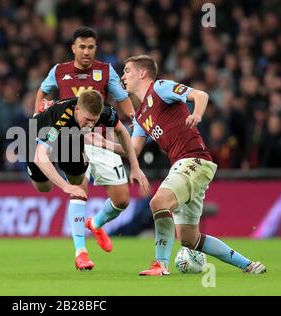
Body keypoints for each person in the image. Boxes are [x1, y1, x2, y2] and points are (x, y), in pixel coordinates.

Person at [93, 55, 266, 275]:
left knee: (158, 203)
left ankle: (160, 265)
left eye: (127, 71)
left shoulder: (160, 88)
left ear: (142, 73)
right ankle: (249, 266)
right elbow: (133, 150)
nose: (123, 76)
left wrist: (196, 114)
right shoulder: (140, 116)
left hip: (194, 159)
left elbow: (200, 95)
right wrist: (101, 142)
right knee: (189, 238)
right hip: (185, 165)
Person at [34, 26, 146, 262]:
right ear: (73, 48)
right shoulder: (59, 71)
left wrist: (137, 123)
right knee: (79, 187)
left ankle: (95, 223)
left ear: (96, 48)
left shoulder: (106, 72)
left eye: (91, 47)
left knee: (122, 199)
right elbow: (42, 93)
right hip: (71, 138)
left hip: (102, 139)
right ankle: (80, 252)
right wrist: (39, 116)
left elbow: (123, 101)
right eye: (82, 47)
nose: (86, 52)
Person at [27, 90, 150, 270]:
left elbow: (122, 132)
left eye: (94, 120)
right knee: (44, 187)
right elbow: (40, 156)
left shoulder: (105, 112)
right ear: (77, 109)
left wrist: (136, 167)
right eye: (87, 119)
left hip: (70, 142)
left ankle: (81, 253)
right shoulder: (61, 117)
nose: (90, 124)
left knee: (79, 182)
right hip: (38, 140)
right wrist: (65, 187)